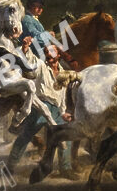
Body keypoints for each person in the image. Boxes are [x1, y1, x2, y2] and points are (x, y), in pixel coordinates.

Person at [7, 45, 77, 178]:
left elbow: (61, 97)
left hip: (56, 109)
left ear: (58, 54)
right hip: (40, 107)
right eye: (46, 52)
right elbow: (31, 60)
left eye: (51, 52)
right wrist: (26, 49)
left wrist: (63, 112)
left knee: (65, 135)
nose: (48, 55)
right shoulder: (40, 65)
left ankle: (65, 168)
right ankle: (9, 166)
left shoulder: (63, 74)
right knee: (26, 135)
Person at [20, 0, 77, 68]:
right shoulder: (27, 19)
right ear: (30, 6)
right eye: (38, 7)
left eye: (41, 7)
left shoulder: (33, 19)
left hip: (42, 50)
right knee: (66, 56)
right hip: (35, 53)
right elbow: (34, 38)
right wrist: (48, 35)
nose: (40, 9)